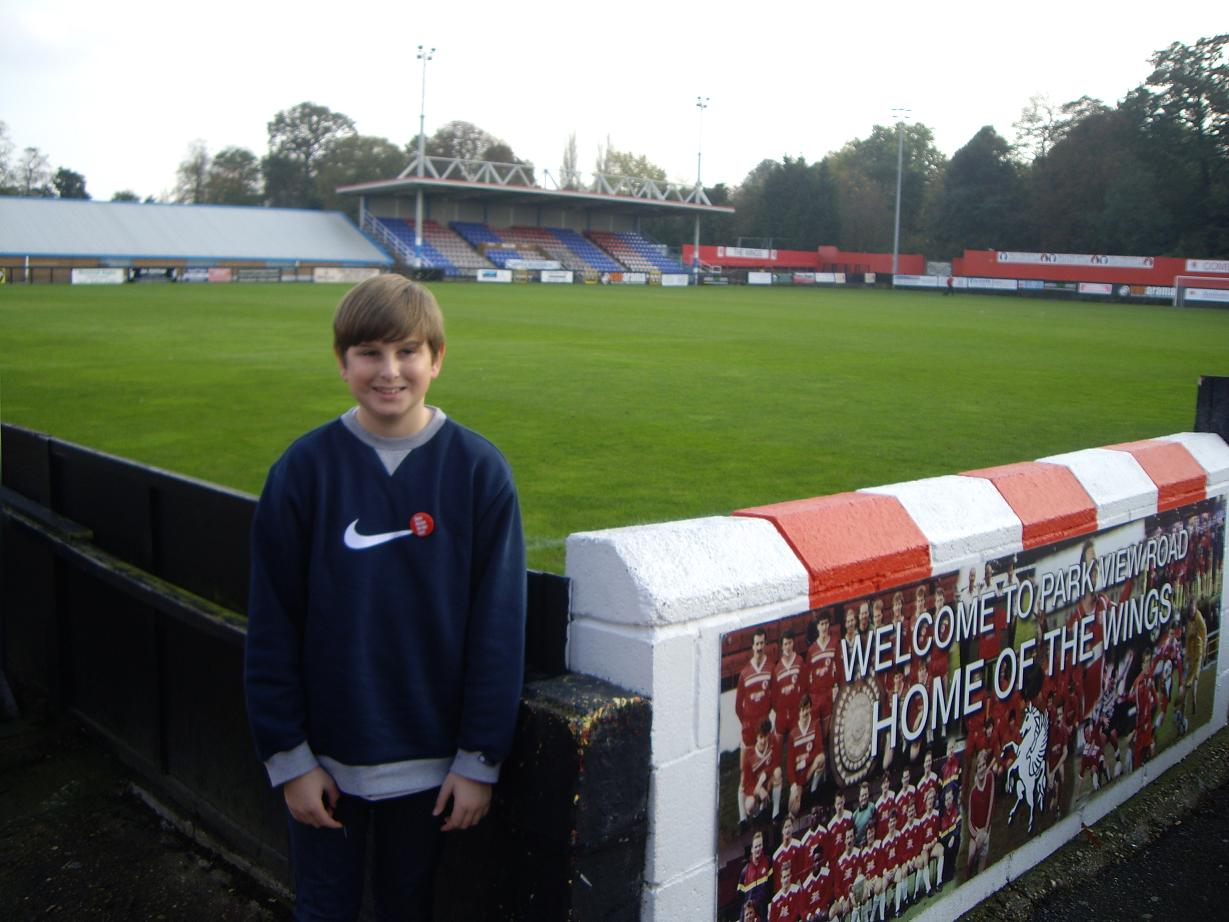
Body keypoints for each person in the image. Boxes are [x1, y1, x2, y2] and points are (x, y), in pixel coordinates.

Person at [244, 275, 527, 921]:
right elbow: (272, 624)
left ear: (436, 359)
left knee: (410, 907)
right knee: (323, 909)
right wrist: (288, 758)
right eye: (369, 352)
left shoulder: (478, 470)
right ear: (342, 362)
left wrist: (479, 759)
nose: (389, 370)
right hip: (324, 763)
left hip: (432, 770)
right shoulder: (303, 470)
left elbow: (499, 626)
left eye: (407, 351)